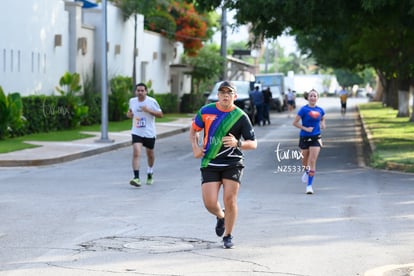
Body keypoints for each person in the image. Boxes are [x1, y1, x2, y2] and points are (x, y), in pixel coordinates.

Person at [190, 81, 257, 249]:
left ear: (235, 96)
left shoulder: (240, 116)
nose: (225, 95)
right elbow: (194, 130)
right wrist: (196, 148)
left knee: (230, 199)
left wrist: (238, 143)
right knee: (210, 203)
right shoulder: (206, 111)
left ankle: (228, 235)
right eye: (222, 92)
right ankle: (221, 216)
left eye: (229, 93)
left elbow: (253, 143)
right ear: (217, 95)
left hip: (232, 162)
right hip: (210, 161)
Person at [127, 83, 163, 187]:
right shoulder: (132, 101)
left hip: (149, 132)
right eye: (138, 90)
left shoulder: (151, 102)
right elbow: (129, 113)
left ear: (146, 91)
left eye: (142, 90)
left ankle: (150, 172)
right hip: (136, 131)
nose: (140, 92)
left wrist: (148, 110)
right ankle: (136, 178)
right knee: (136, 152)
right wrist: (129, 114)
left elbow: (161, 114)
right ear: (135, 92)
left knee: (150, 154)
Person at [292, 89, 326, 195]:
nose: (313, 98)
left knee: (312, 160)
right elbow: (295, 123)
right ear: (308, 97)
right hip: (304, 137)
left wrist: (323, 123)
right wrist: (305, 129)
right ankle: (307, 172)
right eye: (311, 96)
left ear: (317, 98)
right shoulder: (303, 109)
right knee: (304, 161)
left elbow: (323, 118)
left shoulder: (320, 110)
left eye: (315, 96)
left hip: (316, 137)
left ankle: (309, 186)